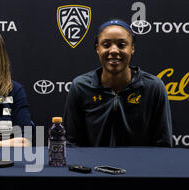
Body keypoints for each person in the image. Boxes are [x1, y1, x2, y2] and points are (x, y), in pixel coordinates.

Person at [64, 19, 173, 147]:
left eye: (121, 45)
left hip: (140, 166)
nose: (114, 50)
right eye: (106, 45)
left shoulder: (154, 87)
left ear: (132, 48)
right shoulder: (80, 87)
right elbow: (71, 143)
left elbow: (163, 145)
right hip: (94, 166)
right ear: (97, 48)